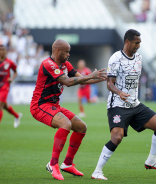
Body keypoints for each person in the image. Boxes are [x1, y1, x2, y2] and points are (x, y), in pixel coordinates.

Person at [91, 29, 156, 180]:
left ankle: (151, 160)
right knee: (117, 137)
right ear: (127, 42)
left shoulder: (139, 58)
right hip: (118, 105)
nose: (139, 45)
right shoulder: (115, 58)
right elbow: (109, 84)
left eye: (140, 42)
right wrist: (119, 92)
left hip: (135, 104)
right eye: (136, 42)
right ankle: (97, 171)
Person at [30, 39, 107, 180]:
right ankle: (53, 164)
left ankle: (67, 164)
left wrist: (103, 78)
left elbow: (82, 79)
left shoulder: (65, 64)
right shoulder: (48, 64)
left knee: (81, 127)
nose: (69, 54)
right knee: (66, 124)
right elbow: (68, 82)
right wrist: (91, 76)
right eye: (66, 52)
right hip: (40, 106)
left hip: (54, 105)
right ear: (58, 50)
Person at [0, 45, 22, 136]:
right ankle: (17, 116)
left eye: (3, 50)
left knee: (0, 105)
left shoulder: (10, 62)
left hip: (5, 86)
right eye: (0, 49)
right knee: (4, 106)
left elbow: (16, 72)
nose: (1, 51)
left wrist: (12, 78)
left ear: (6, 51)